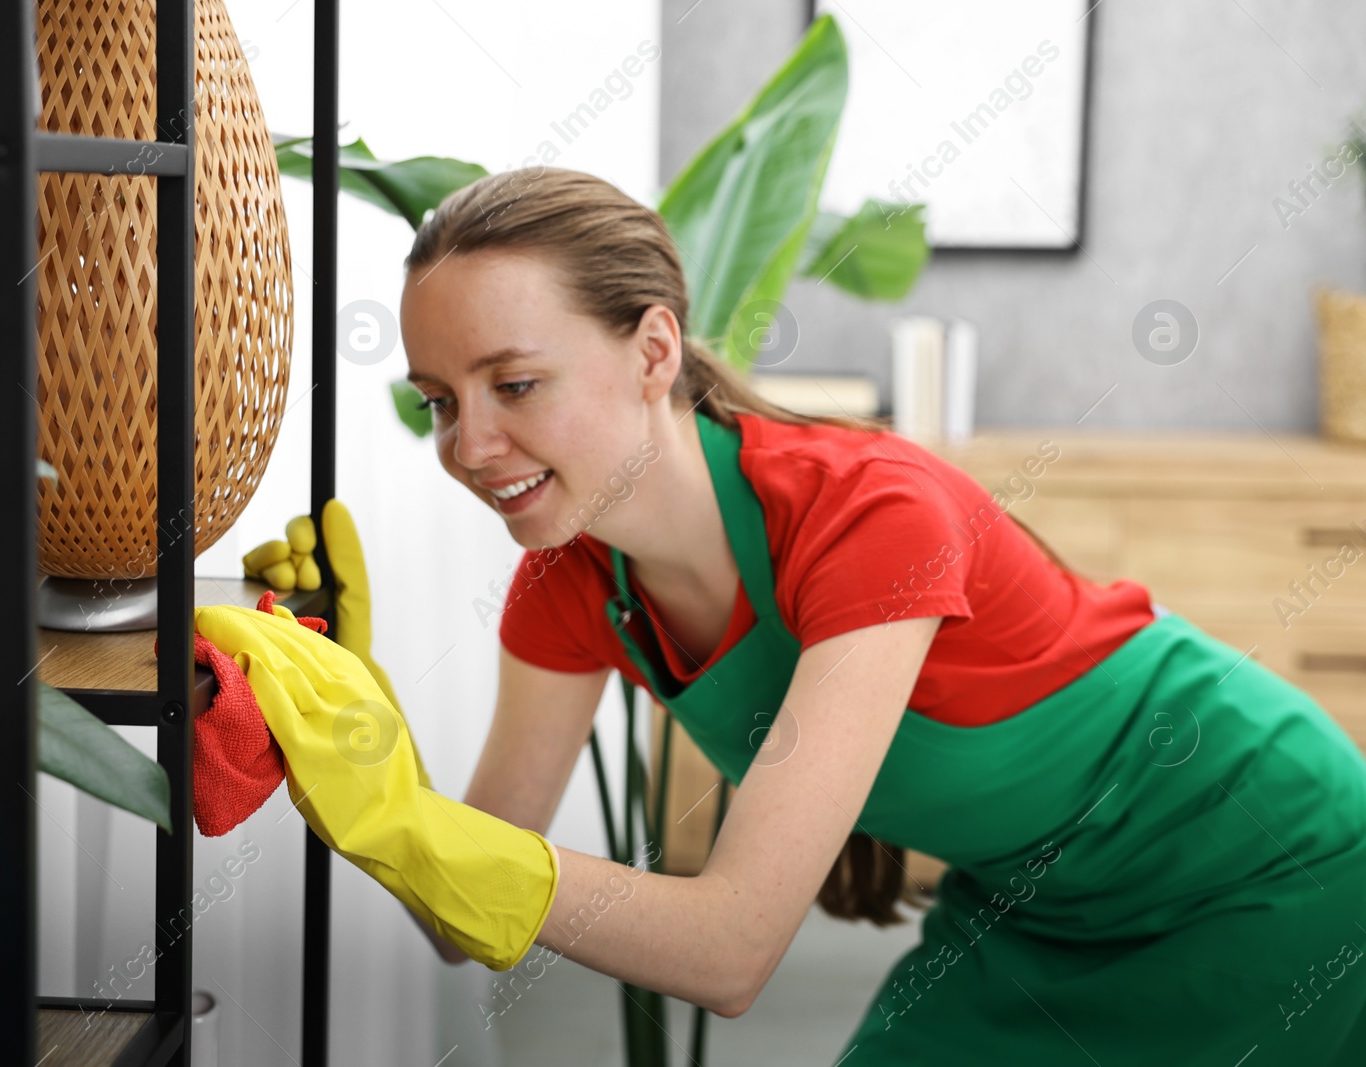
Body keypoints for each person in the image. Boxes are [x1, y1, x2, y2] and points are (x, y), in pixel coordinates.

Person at [386, 166, 1366, 1062]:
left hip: (1249, 857)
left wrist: (408, 825)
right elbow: (457, 912)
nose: (469, 445)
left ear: (652, 351)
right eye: (438, 401)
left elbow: (726, 950)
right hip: (1029, 898)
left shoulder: (866, 514)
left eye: (513, 384)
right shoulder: (568, 586)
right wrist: (350, 726)